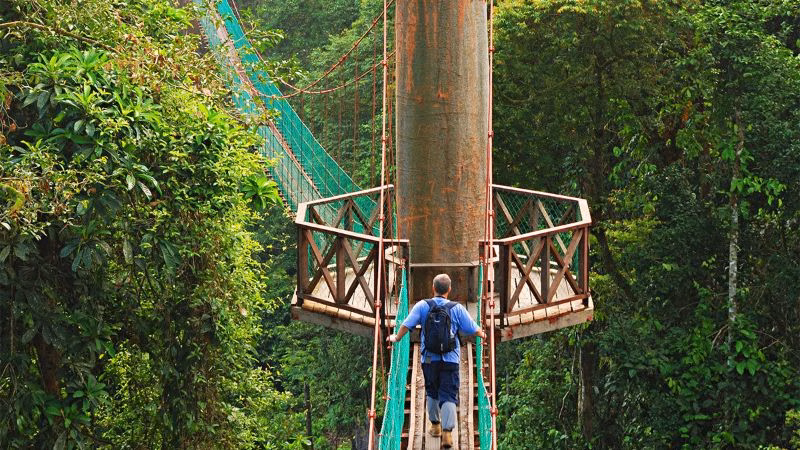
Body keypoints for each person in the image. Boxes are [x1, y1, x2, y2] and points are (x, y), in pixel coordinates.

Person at [387, 273, 486, 448]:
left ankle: (435, 425)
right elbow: (473, 329)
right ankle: (448, 434)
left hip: (429, 358)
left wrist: (396, 338)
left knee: (432, 391)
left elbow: (406, 325)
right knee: (448, 395)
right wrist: (484, 335)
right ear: (449, 289)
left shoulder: (423, 306)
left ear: (433, 288)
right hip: (451, 360)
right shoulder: (457, 308)